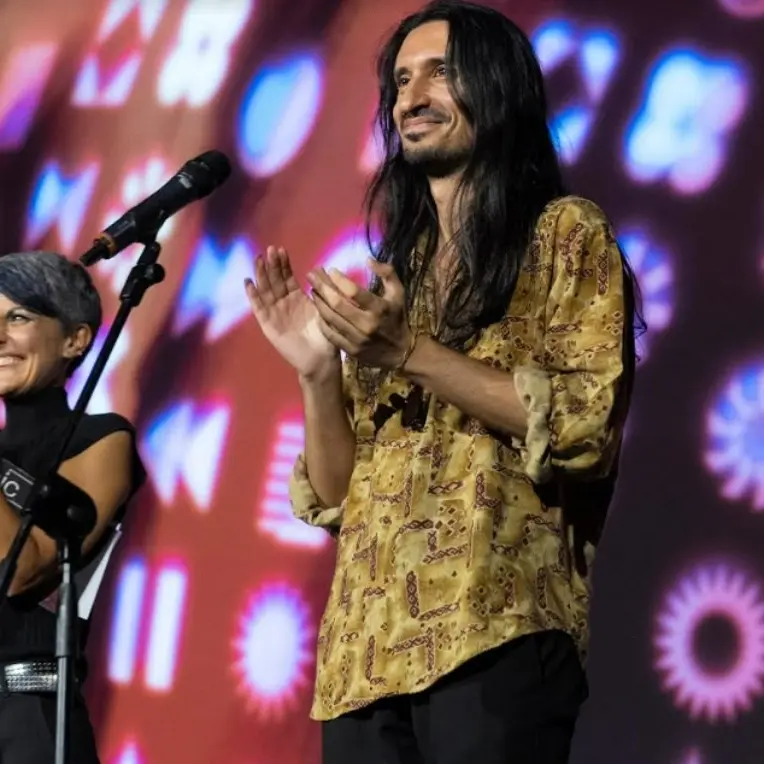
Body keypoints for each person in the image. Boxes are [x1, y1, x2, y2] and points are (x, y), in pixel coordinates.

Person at [245, 1, 641, 761]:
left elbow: (582, 431)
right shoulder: (400, 278)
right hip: (363, 658)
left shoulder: (563, 232)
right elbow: (338, 495)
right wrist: (319, 375)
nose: (411, 97)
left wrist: (408, 352)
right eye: (400, 80)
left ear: (499, 92)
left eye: (441, 74)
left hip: (494, 630)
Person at [0, 251, 144, 763]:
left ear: (75, 339)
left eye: (18, 317)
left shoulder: (101, 439)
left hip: (27, 718)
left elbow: (25, 571)